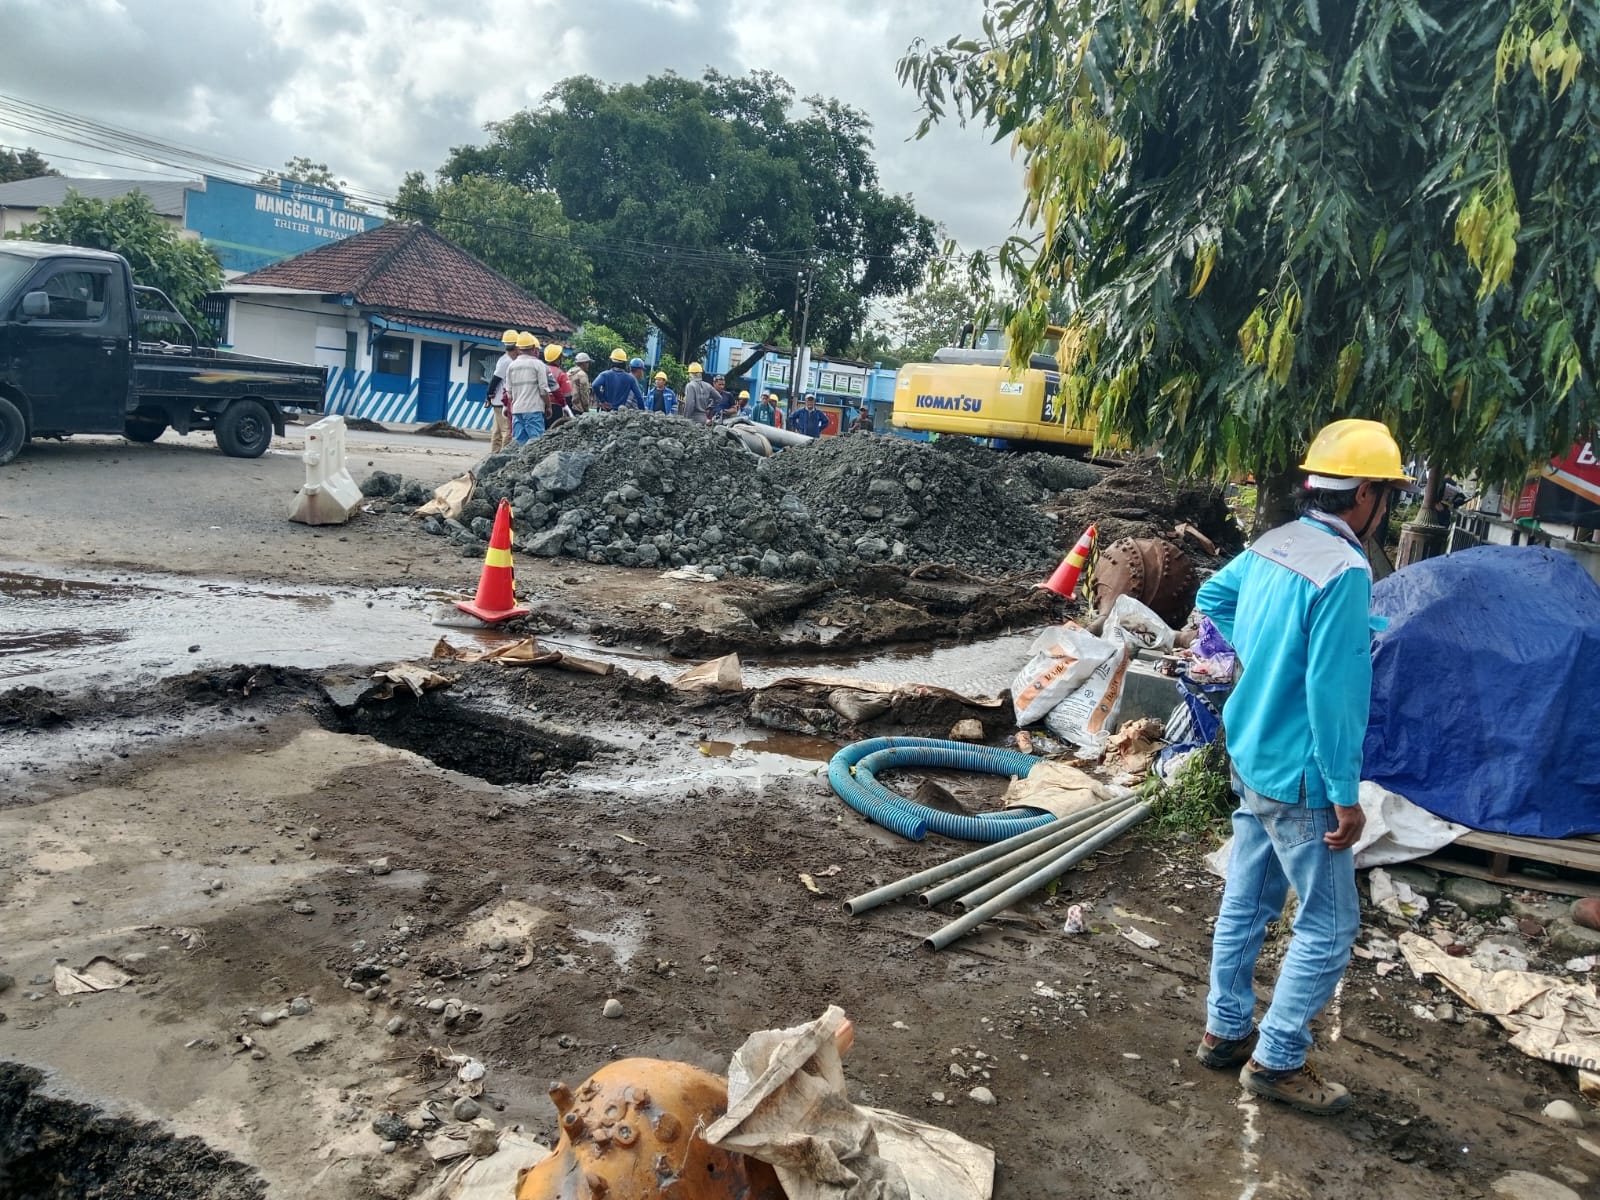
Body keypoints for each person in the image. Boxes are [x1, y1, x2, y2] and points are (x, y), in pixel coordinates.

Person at [1193, 418, 1411, 1116]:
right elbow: (1336, 695)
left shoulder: (1273, 543)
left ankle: (1225, 1031)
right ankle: (1279, 1059)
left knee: (1247, 902)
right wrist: (1346, 795)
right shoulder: (1346, 571)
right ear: (1368, 494)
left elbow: (1214, 600)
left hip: (1251, 752)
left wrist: (1263, 661)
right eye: (1388, 496)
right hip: (1303, 776)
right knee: (1328, 924)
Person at [505, 331, 554, 443]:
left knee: (519, 444)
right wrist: (548, 406)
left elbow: (509, 393)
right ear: (533, 347)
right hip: (534, 410)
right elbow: (543, 390)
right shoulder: (538, 365)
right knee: (536, 443)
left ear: (518, 347)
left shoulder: (511, 366)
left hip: (517, 411)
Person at [484, 328, 519, 453]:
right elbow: (495, 380)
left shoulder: (505, 360)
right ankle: (502, 456)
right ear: (516, 346)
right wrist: (488, 395)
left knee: (497, 432)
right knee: (507, 431)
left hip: (497, 401)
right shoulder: (507, 362)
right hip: (502, 402)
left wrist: (489, 396)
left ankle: (494, 454)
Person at [544, 344, 574, 422]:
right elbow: (568, 396)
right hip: (557, 410)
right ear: (558, 358)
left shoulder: (540, 370)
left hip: (540, 408)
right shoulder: (561, 374)